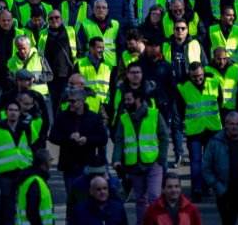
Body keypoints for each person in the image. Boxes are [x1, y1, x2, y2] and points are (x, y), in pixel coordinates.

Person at [113, 88, 170, 225]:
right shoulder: (124, 118)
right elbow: (119, 140)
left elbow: (164, 137)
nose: (125, 103)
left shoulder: (154, 114)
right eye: (124, 100)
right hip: (134, 166)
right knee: (140, 200)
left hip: (153, 163)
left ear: (138, 100)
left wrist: (161, 158)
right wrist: (115, 160)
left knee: (154, 197)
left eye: (128, 100)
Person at [177, 61, 222, 201]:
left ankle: (206, 186)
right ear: (190, 75)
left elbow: (220, 102)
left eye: (200, 76)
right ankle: (196, 189)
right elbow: (180, 108)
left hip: (212, 128)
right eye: (195, 76)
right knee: (196, 161)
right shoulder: (183, 87)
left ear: (204, 73)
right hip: (194, 130)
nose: (198, 79)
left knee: (209, 161)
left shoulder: (214, 82)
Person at [48, 88, 108, 192]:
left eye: (73, 101)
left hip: (88, 163)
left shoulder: (93, 118)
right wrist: (69, 137)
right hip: (69, 164)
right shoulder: (63, 117)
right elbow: (53, 136)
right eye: (69, 101)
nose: (69, 103)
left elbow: (103, 138)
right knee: (72, 196)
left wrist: (87, 140)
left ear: (82, 101)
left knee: (87, 196)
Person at [0, 100, 32, 225]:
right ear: (6, 112)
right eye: (10, 110)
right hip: (6, 175)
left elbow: (35, 149)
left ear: (20, 113)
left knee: (25, 208)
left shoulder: (26, 127)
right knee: (7, 209)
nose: (13, 113)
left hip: (24, 175)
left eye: (16, 110)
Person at [16, 149, 55, 225]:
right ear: (46, 163)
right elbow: (32, 212)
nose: (51, 163)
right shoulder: (35, 182)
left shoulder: (29, 177)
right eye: (51, 160)